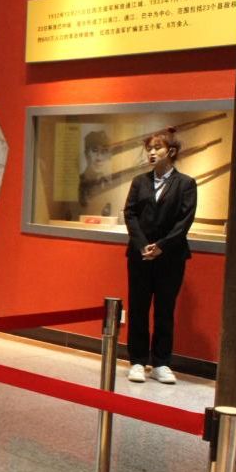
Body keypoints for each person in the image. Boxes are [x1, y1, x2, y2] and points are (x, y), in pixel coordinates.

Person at [123, 127, 197, 385]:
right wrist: (143, 245)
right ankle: (137, 361)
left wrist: (162, 246)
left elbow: (185, 220)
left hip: (171, 257)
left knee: (165, 310)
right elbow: (130, 213)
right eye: (149, 149)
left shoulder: (186, 183)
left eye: (158, 148)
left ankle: (161, 363)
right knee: (138, 309)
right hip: (140, 255)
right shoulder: (139, 181)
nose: (152, 153)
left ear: (171, 151)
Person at [77, 129, 115, 216]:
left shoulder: (107, 182)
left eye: (104, 152)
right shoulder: (79, 181)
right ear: (86, 153)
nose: (99, 158)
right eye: (95, 150)